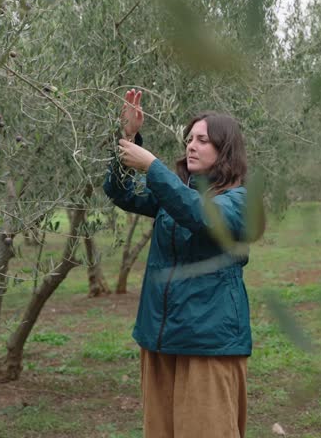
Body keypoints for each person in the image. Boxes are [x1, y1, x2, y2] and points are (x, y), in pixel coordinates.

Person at [103, 89, 259, 438]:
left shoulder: (240, 201)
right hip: (159, 338)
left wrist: (153, 167)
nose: (191, 145)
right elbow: (120, 191)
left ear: (225, 149)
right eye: (189, 138)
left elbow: (200, 215)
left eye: (203, 139)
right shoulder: (173, 193)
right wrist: (127, 137)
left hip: (208, 344)